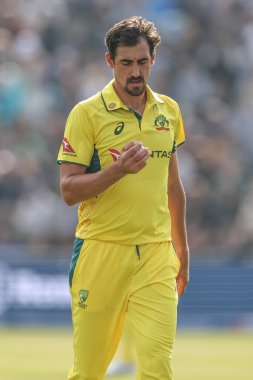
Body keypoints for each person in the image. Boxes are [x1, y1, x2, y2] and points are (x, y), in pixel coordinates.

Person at [57, 16, 189, 380]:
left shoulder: (169, 112)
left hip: (156, 256)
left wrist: (182, 250)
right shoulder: (86, 114)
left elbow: (173, 187)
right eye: (126, 62)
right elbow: (68, 190)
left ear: (153, 60)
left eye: (142, 62)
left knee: (158, 368)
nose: (135, 72)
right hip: (101, 252)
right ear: (109, 61)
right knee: (89, 372)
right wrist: (117, 171)